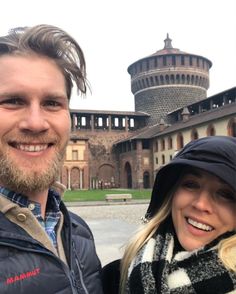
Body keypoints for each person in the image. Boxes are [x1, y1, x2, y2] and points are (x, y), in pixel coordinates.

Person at [0, 24, 103, 294]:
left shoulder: (79, 233)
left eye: (52, 103)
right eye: (12, 100)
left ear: (70, 119)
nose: (35, 123)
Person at [102, 136, 236, 293]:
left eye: (226, 194)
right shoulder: (115, 277)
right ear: (171, 193)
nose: (201, 204)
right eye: (191, 184)